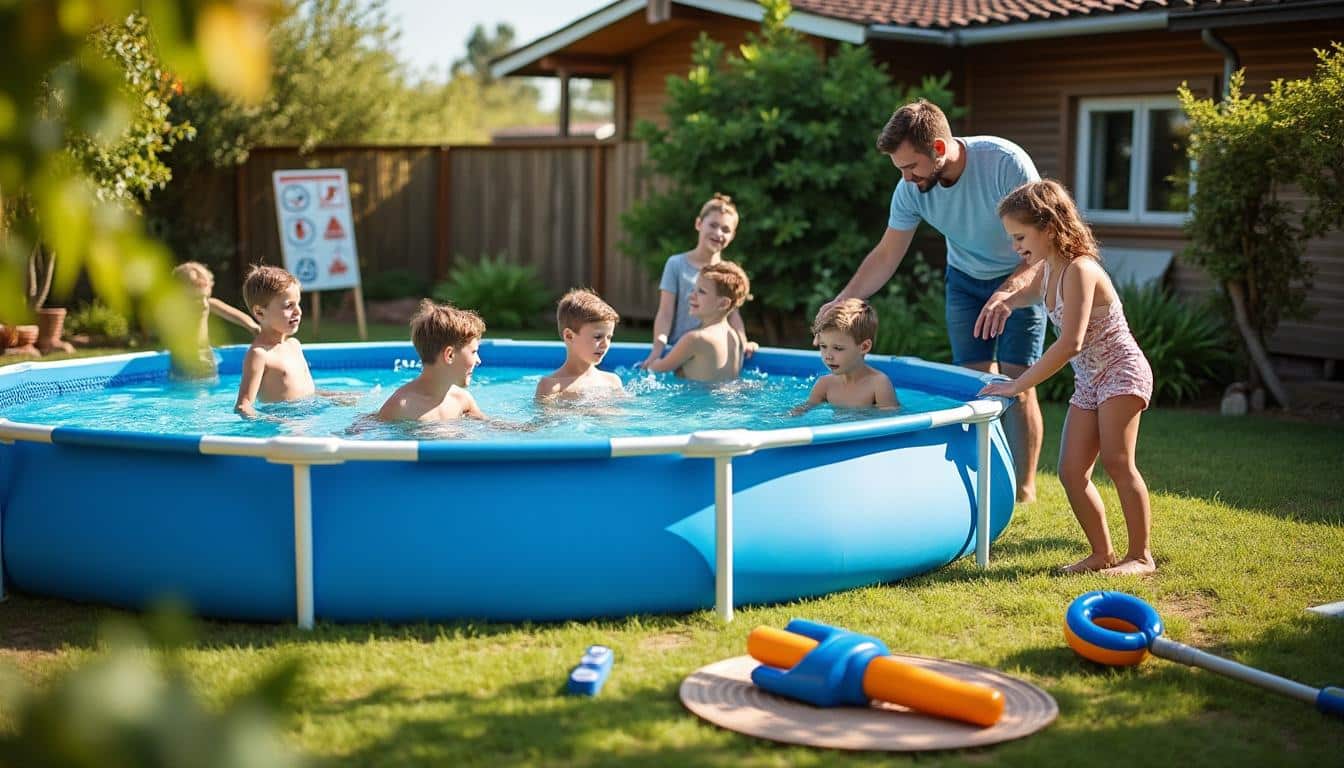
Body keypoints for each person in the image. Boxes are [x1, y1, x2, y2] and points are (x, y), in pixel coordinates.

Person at [816, 99, 1046, 502]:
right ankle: (989, 477)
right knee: (975, 385)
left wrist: (1009, 292)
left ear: (938, 150)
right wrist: (841, 300)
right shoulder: (910, 189)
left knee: (1017, 384)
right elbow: (887, 255)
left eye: (911, 167)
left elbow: (1043, 245)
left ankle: (1025, 489)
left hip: (1021, 277)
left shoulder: (1006, 163)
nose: (906, 178)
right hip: (965, 281)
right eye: (900, 169)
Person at [978, 180, 1155, 576]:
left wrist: (1018, 384)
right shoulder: (1049, 271)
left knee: (1117, 461)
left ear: (1050, 228)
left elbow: (1071, 342)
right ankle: (1101, 554)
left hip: (1120, 370)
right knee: (1071, 472)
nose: (1015, 246)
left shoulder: (1080, 269)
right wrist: (1006, 300)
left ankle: (1141, 556)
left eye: (1020, 236)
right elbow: (1030, 294)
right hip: (1090, 381)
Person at [640, 193, 756, 369]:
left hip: (707, 355)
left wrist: (743, 341)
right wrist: (658, 349)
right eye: (713, 225)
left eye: (726, 229)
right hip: (678, 352)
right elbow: (665, 313)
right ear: (699, 224)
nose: (718, 233)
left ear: (732, 236)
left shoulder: (726, 273)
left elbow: (733, 314)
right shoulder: (676, 264)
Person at [377, 300, 488, 422]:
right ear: (449, 355)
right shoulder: (401, 406)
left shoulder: (462, 400)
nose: (478, 361)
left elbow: (491, 426)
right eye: (473, 352)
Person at [642, 261, 749, 383]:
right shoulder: (736, 338)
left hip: (698, 400)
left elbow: (655, 369)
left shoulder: (695, 338)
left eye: (701, 291)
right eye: (694, 289)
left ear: (723, 303)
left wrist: (649, 363)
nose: (691, 296)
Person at [791, 298, 899, 415]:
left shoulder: (878, 384)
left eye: (838, 348)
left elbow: (891, 421)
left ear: (864, 347)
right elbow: (799, 412)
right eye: (823, 346)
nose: (828, 356)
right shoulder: (825, 385)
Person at [234, 265, 316, 417]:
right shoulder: (259, 355)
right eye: (288, 306)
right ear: (260, 312)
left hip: (308, 419)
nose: (298, 311)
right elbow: (242, 406)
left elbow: (307, 394)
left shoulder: (294, 345)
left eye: (298, 303)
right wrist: (277, 423)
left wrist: (335, 397)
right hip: (282, 430)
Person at [172, 261, 260, 377]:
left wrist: (252, 326)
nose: (204, 304)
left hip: (207, 355)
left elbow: (233, 314)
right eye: (196, 298)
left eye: (206, 296)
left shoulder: (209, 304)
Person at [535, 289, 624, 399]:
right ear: (569, 336)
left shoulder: (613, 382)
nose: (605, 344)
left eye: (609, 337)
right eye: (598, 337)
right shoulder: (550, 386)